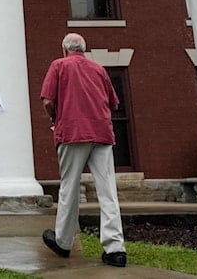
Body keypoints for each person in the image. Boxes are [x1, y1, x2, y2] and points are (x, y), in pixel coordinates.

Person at [39, 33, 127, 268]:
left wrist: (55, 117)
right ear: (84, 49)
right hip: (102, 133)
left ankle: (63, 242)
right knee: (108, 191)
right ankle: (115, 249)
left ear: (64, 48)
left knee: (69, 187)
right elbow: (113, 102)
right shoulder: (99, 69)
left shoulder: (58, 65)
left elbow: (48, 101)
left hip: (72, 132)